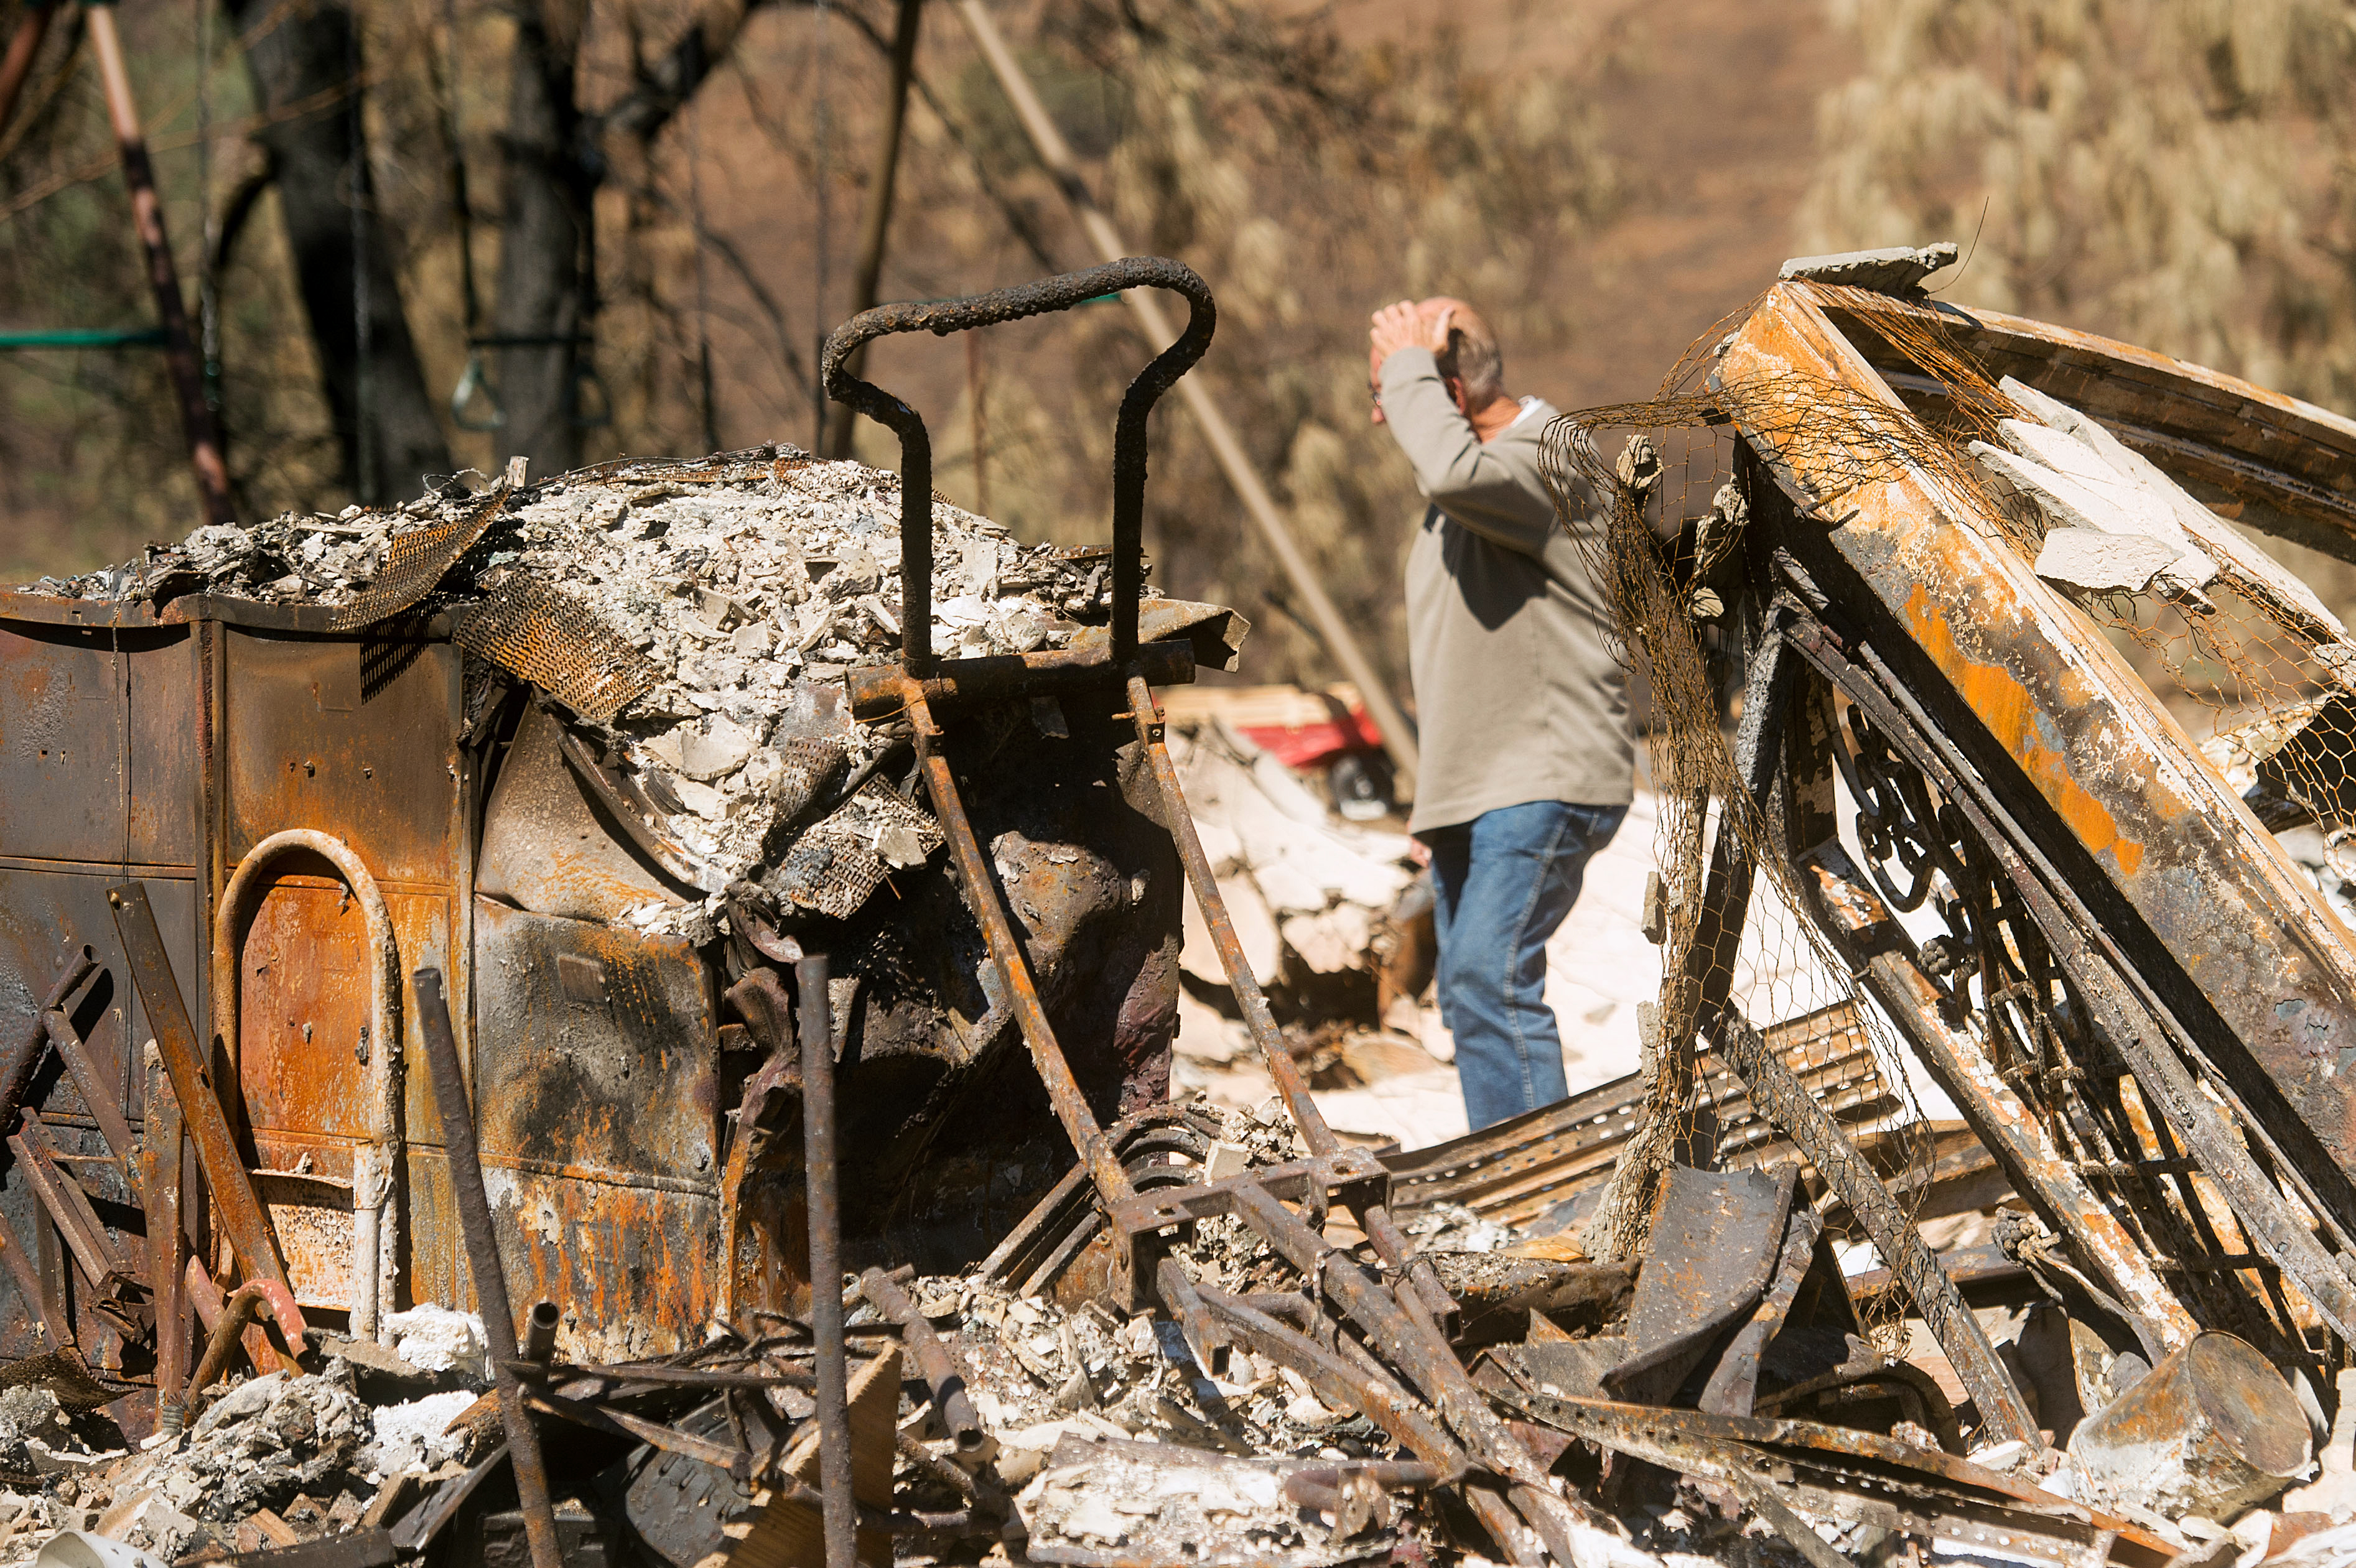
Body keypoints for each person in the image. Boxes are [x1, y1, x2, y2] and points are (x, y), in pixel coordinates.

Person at [1368, 297, 1633, 1131]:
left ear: (1445, 389)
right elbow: (1471, 659)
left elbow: (1451, 470)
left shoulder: (1550, 457)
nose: (1383, 412)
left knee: (1490, 976)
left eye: (1395, 387)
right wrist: (1438, 803)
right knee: (1470, 991)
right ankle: (1510, 1174)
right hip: (1480, 790)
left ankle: (1545, 1189)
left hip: (1544, 777)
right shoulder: (1474, 495)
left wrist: (1407, 369)